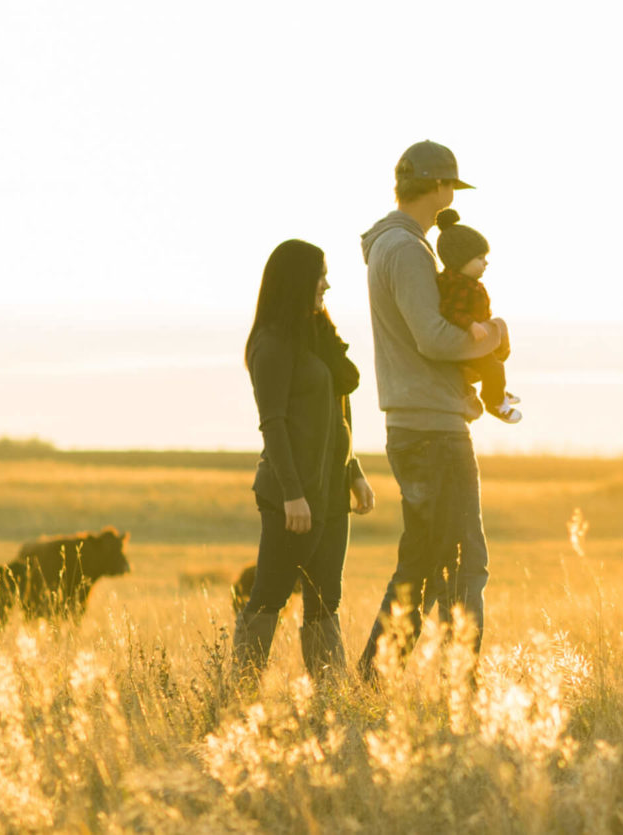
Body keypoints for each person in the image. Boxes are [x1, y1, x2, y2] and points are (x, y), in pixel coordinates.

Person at [356, 140, 507, 676]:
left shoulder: (391, 245)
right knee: (466, 562)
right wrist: (493, 336)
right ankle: (461, 686)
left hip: (418, 423)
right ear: (440, 189)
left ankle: (373, 677)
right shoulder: (407, 249)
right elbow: (436, 338)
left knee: (422, 564)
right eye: (450, 187)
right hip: (433, 430)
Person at [239, 239, 376, 684]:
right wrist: (294, 496)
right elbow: (273, 425)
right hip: (292, 497)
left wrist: (353, 473)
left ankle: (331, 703)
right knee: (269, 598)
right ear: (297, 280)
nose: (328, 284)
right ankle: (237, 699)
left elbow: (339, 411)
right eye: (320, 275)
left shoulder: (318, 336)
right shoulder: (271, 344)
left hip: (331, 491)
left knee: (324, 600)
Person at [432, 208, 522, 424]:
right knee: (493, 367)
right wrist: (472, 325)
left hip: (475, 339)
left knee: (495, 367)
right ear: (460, 259)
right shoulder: (457, 285)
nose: (485, 263)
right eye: (480, 258)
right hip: (468, 343)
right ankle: (495, 403)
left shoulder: (467, 283)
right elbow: (451, 310)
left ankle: (497, 390)